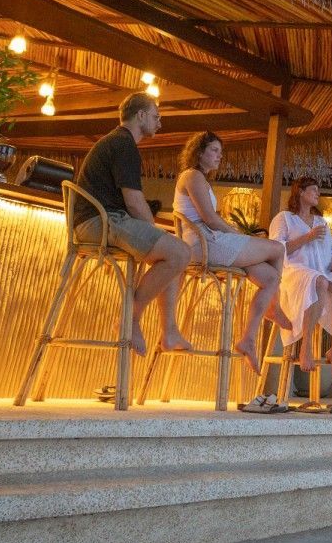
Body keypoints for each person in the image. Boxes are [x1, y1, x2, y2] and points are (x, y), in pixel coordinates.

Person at [72, 92, 192, 357]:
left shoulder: (117, 142)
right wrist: (154, 231)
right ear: (140, 116)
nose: (160, 122)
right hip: (99, 221)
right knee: (179, 252)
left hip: (103, 220)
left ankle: (169, 330)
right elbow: (135, 202)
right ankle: (130, 319)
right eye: (156, 116)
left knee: (175, 253)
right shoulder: (123, 145)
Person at [173, 132, 291, 374]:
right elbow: (210, 219)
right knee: (278, 248)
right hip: (204, 245)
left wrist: (237, 233)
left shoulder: (200, 179)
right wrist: (239, 235)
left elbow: (212, 220)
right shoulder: (192, 176)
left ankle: (247, 338)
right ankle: (273, 307)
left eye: (220, 151)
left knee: (269, 278)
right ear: (199, 152)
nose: (220, 156)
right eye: (214, 150)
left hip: (212, 241)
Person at [268, 177, 332, 402]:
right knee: (318, 281)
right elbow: (275, 249)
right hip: (294, 272)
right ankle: (306, 346)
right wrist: (307, 238)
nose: (317, 194)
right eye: (313, 190)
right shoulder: (285, 219)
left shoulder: (321, 222)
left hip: (320, 271)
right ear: (300, 192)